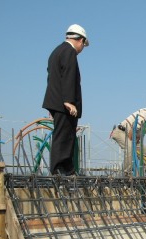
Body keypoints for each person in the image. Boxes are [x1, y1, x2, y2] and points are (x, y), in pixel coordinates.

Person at [42, 24, 89, 176]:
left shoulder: (56, 51)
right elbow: (69, 76)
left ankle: (68, 169)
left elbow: (53, 78)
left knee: (66, 135)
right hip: (64, 103)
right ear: (80, 40)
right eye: (83, 45)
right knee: (63, 136)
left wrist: (54, 104)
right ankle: (57, 169)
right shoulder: (69, 52)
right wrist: (68, 101)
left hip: (56, 101)